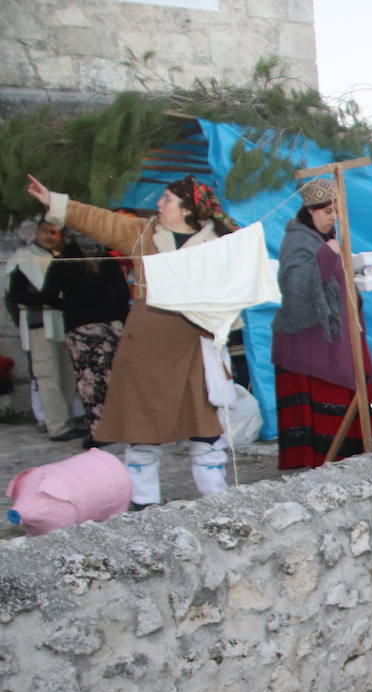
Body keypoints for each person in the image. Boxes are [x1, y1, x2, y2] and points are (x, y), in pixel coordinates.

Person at [25, 173, 240, 508]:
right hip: (149, 340)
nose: (158, 203)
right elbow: (100, 220)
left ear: (187, 209)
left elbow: (238, 285)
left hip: (194, 340)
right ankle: (143, 499)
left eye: (167, 199)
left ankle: (215, 493)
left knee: (204, 421)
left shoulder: (218, 243)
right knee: (142, 422)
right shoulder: (144, 233)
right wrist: (56, 202)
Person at [272, 177, 372, 469]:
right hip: (311, 340)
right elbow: (296, 288)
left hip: (334, 336)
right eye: (325, 211)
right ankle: (323, 458)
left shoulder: (323, 240)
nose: (332, 217)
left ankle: (349, 454)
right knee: (329, 392)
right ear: (310, 211)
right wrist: (325, 256)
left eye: (335, 211)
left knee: (357, 382)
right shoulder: (298, 241)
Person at [43, 229, 131, 447]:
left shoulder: (63, 261)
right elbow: (122, 294)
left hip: (79, 327)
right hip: (110, 325)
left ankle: (100, 431)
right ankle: (124, 426)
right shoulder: (107, 259)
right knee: (114, 376)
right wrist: (119, 318)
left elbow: (49, 295)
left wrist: (71, 307)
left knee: (89, 381)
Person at [4, 219, 82, 441]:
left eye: (55, 232)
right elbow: (16, 295)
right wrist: (50, 301)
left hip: (65, 323)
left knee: (67, 375)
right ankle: (57, 426)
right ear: (37, 232)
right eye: (45, 231)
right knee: (47, 376)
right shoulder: (24, 257)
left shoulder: (64, 257)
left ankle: (66, 420)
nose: (50, 236)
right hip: (39, 324)